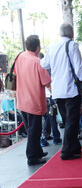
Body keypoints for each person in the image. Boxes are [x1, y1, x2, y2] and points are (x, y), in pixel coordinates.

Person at [40, 24, 82, 160]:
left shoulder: (52, 47)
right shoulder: (72, 45)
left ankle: (75, 148)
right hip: (71, 90)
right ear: (72, 33)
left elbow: (44, 64)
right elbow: (79, 67)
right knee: (71, 121)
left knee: (67, 120)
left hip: (57, 91)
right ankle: (66, 150)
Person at [14, 35, 51, 166]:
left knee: (31, 129)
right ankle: (32, 157)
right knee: (34, 131)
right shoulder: (37, 62)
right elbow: (46, 81)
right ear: (38, 47)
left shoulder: (20, 57)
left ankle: (38, 151)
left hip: (22, 100)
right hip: (33, 102)